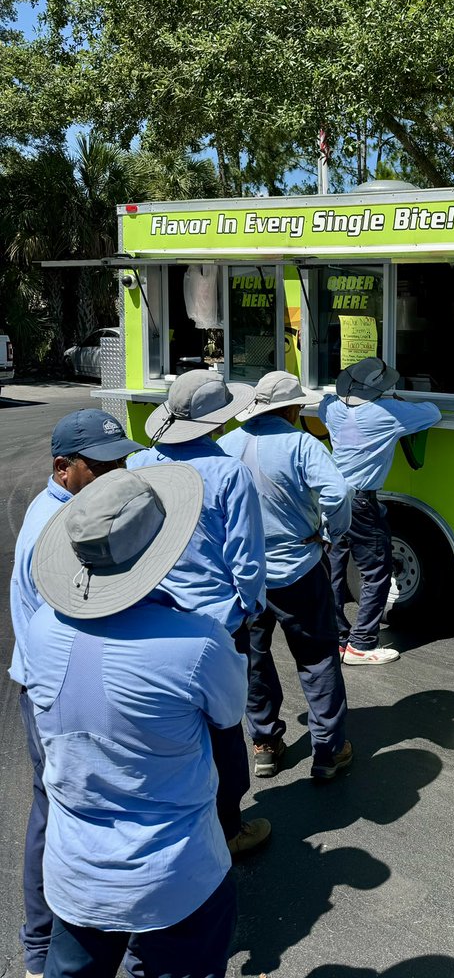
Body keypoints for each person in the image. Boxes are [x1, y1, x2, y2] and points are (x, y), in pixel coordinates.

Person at [24, 466, 247, 977]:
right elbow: (230, 713)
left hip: (74, 869)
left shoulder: (39, 627)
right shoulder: (197, 644)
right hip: (176, 874)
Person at [9, 409, 144, 978]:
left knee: (63, 809)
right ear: (64, 468)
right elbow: (68, 635)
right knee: (63, 812)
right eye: (104, 465)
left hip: (57, 680)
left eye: (123, 460)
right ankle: (45, 948)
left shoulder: (79, 511)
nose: (119, 474)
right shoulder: (59, 531)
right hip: (59, 689)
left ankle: (50, 942)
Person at [129, 369, 269, 858]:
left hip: (151, 613)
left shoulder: (140, 463)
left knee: (170, 726)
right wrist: (251, 608)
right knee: (224, 726)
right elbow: (247, 558)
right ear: (217, 422)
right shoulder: (229, 472)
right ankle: (228, 826)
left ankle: (180, 819)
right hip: (216, 621)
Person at [219, 371, 354, 781]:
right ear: (292, 409)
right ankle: (328, 752)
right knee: (316, 658)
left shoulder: (226, 445)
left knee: (253, 660)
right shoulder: (301, 444)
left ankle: (263, 743)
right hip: (299, 568)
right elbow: (338, 493)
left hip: (244, 576)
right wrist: (332, 533)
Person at [320, 357, 441, 665]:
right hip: (361, 501)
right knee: (376, 571)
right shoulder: (387, 412)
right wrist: (395, 400)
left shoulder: (334, 409)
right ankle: (361, 644)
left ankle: (337, 639)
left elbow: (323, 404)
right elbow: (433, 412)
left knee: (334, 570)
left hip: (332, 497)